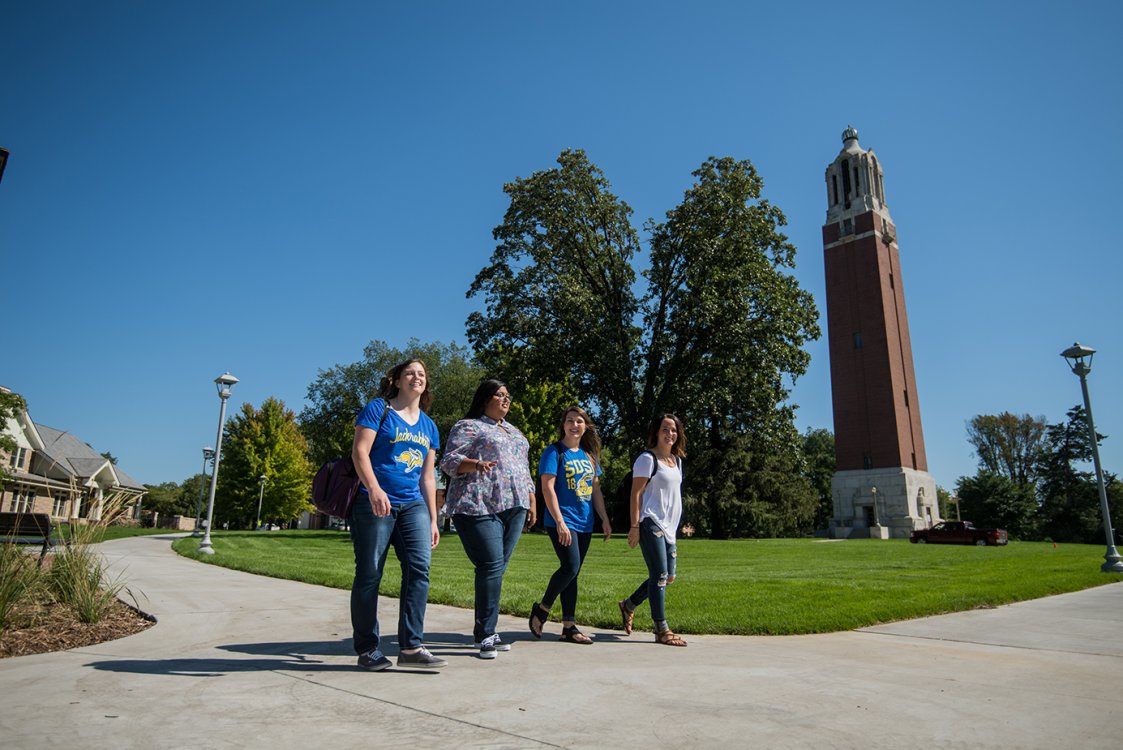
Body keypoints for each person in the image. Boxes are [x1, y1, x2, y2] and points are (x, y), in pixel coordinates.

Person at [349, 358, 447, 671]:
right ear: (397, 379)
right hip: (375, 501)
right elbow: (360, 451)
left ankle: (411, 647)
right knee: (370, 573)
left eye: (421, 374)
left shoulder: (429, 426)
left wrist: (433, 518)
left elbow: (428, 477)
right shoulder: (380, 409)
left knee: (419, 571)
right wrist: (375, 489)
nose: (416, 377)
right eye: (410, 373)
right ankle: (367, 649)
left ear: (426, 383)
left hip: (414, 505)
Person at [440, 379, 536, 659]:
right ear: (485, 399)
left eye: (508, 395)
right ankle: (485, 634)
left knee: (497, 568)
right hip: (478, 504)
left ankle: (487, 631)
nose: (506, 400)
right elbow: (448, 461)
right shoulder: (468, 426)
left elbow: (524, 469)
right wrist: (476, 464)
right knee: (491, 565)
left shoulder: (514, 431)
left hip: (515, 506)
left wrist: (531, 499)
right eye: (500, 395)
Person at [529, 406, 611, 644]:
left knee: (573, 573)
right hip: (561, 521)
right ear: (563, 425)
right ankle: (542, 609)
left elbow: (595, 490)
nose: (574, 425)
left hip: (585, 522)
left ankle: (569, 626)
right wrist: (560, 522)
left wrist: (604, 518)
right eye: (570, 421)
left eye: (579, 421)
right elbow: (547, 488)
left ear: (585, 426)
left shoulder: (589, 456)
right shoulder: (554, 452)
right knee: (570, 567)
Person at [618, 414, 688, 647]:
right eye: (665, 429)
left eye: (674, 430)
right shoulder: (647, 459)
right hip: (650, 522)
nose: (670, 434)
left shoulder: (677, 461)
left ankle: (628, 605)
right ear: (656, 432)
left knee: (667, 577)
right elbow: (635, 494)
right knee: (659, 574)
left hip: (670, 527)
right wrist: (635, 526)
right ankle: (661, 629)